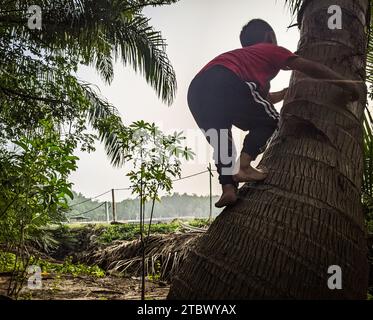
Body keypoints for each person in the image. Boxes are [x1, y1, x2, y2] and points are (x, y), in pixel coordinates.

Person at [188, 19, 360, 208]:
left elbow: (261, 99)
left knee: (222, 140)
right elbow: (309, 67)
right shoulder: (269, 49)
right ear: (269, 36)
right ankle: (244, 165)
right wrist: (344, 83)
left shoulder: (245, 59)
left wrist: (286, 93)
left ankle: (228, 189)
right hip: (226, 79)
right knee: (271, 120)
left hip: (197, 92)